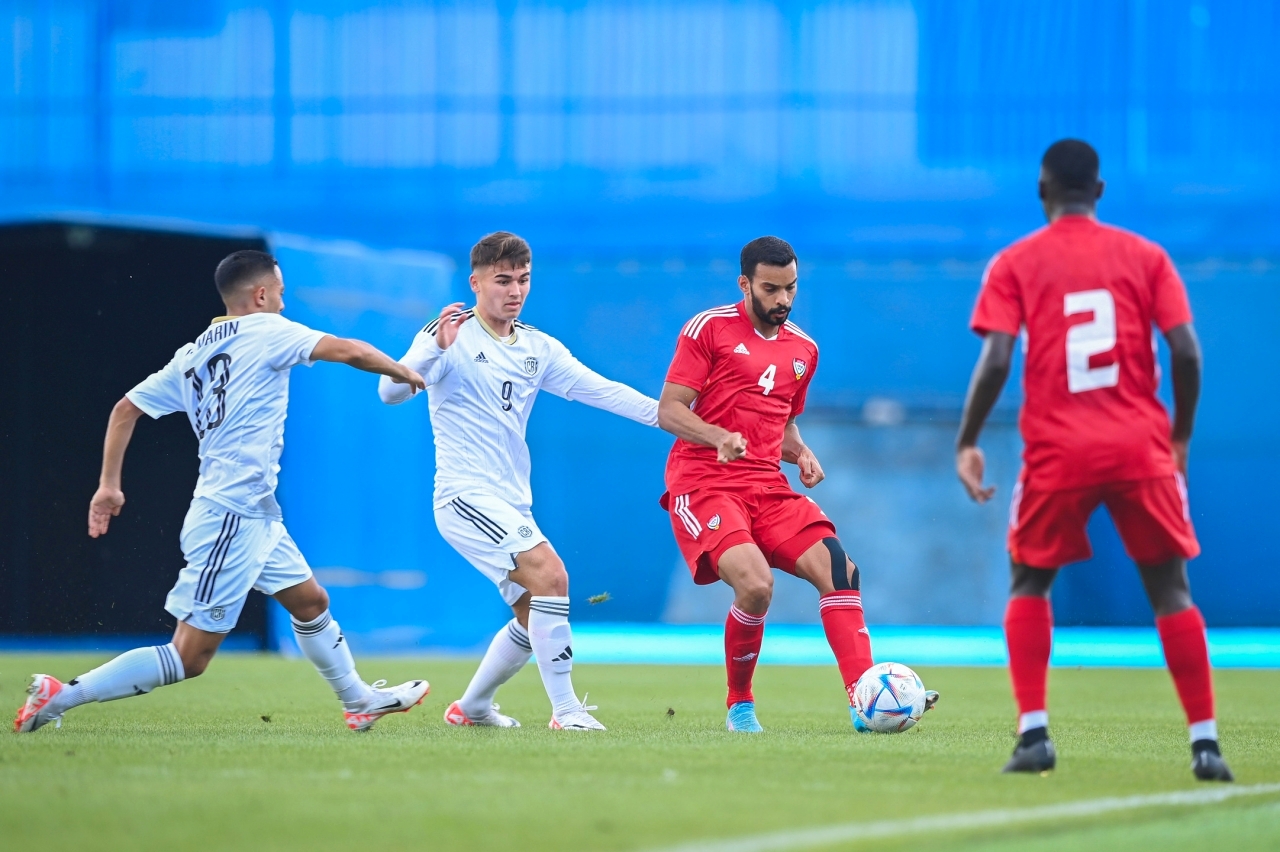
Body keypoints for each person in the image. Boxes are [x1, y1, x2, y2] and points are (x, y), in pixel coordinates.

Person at [15, 250, 431, 734]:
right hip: (230, 514)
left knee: (311, 602)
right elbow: (348, 350)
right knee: (188, 657)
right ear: (261, 294)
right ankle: (61, 696)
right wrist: (403, 371)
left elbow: (124, 409)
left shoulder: (193, 353)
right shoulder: (268, 329)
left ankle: (358, 701)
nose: (283, 302)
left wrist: (109, 485)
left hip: (252, 512)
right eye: (280, 293)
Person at [956, 139, 1231, 781]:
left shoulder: (1015, 261)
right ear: (1099, 191)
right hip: (1139, 445)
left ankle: (1033, 735)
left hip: (1058, 449)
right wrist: (1180, 436)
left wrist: (967, 439)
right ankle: (1206, 744)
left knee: (1029, 582)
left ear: (1042, 192)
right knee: (1170, 589)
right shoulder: (1146, 256)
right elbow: (1187, 352)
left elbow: (996, 359)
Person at [378, 231, 658, 732]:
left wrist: (671, 418)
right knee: (552, 575)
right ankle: (567, 712)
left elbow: (603, 391)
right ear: (476, 282)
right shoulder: (449, 333)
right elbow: (390, 391)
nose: (515, 291)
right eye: (503, 280)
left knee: (533, 615)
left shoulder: (536, 345)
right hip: (463, 495)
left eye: (523, 280)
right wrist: (433, 350)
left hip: (511, 501)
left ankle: (472, 708)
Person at [656, 235, 936, 733]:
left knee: (840, 570)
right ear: (745, 284)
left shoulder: (804, 349)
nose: (783, 299)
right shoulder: (708, 328)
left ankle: (864, 701)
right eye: (770, 288)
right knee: (755, 585)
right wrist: (718, 436)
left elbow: (781, 422)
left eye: (791, 287)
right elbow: (670, 410)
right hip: (704, 483)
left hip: (767, 486)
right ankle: (740, 705)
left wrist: (801, 451)